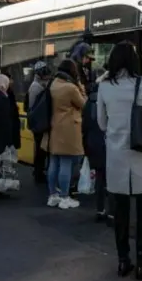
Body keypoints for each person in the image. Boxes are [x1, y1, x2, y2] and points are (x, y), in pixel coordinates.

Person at [97, 41, 142, 280]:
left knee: (120, 213)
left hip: (117, 158)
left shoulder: (104, 87)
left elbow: (102, 123)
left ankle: (122, 261)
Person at [42, 59, 86, 210]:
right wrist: (80, 85)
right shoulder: (71, 88)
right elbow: (83, 103)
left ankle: (52, 195)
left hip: (53, 127)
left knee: (54, 162)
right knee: (66, 163)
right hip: (68, 129)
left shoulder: (53, 84)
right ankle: (65, 197)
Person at [83, 69, 112, 224]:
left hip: (93, 143)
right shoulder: (109, 99)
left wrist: (86, 147)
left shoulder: (89, 101)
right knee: (112, 179)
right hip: (108, 143)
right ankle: (112, 212)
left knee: (100, 179)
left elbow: (85, 126)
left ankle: (100, 210)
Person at [26, 61, 52, 183]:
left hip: (39, 122)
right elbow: (34, 107)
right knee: (40, 149)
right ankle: (38, 172)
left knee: (41, 148)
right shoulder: (36, 86)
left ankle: (39, 170)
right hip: (39, 123)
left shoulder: (39, 84)